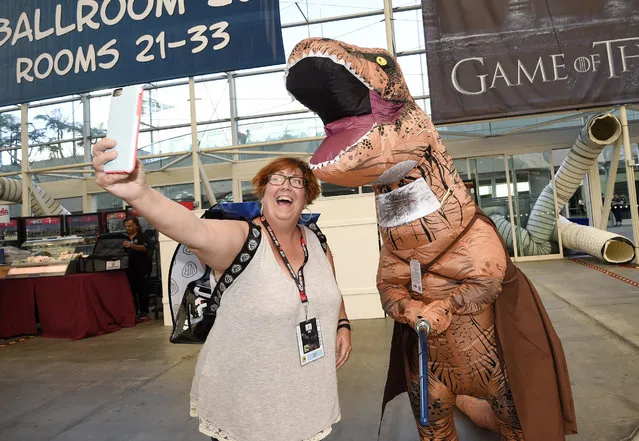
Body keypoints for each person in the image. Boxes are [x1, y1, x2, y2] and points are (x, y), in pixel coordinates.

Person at [92, 138, 352, 441]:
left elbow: (330, 290)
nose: (286, 186)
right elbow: (194, 230)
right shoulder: (242, 239)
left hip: (304, 396)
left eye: (297, 182)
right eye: (276, 179)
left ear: (307, 195)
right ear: (264, 190)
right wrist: (140, 194)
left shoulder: (317, 241)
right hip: (245, 403)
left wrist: (342, 324)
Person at [123, 216, 153, 319]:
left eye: (130, 226)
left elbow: (145, 248)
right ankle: (134, 311)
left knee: (142, 290)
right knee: (131, 291)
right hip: (128, 268)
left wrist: (131, 246)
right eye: (126, 226)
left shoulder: (142, 236)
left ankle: (144, 311)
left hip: (142, 268)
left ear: (136, 225)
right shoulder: (124, 237)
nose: (128, 228)